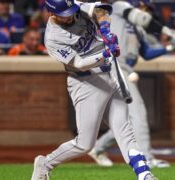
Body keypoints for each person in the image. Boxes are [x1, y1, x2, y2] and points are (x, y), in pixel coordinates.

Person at [30, 0, 157, 180]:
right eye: (64, 14)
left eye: (70, 11)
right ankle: (45, 163)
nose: (69, 16)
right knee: (85, 144)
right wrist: (105, 52)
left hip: (109, 74)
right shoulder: (52, 38)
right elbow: (80, 64)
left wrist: (105, 29)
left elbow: (101, 10)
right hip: (86, 83)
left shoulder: (75, 7)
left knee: (124, 129)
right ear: (52, 14)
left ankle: (144, 174)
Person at [87, 0, 175, 168]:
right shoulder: (121, 7)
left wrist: (169, 48)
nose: (147, 12)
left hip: (123, 70)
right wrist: (167, 31)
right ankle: (147, 159)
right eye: (145, 8)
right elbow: (143, 19)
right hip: (112, 65)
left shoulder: (138, 30)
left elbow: (146, 53)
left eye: (149, 9)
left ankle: (98, 148)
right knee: (139, 113)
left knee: (128, 119)